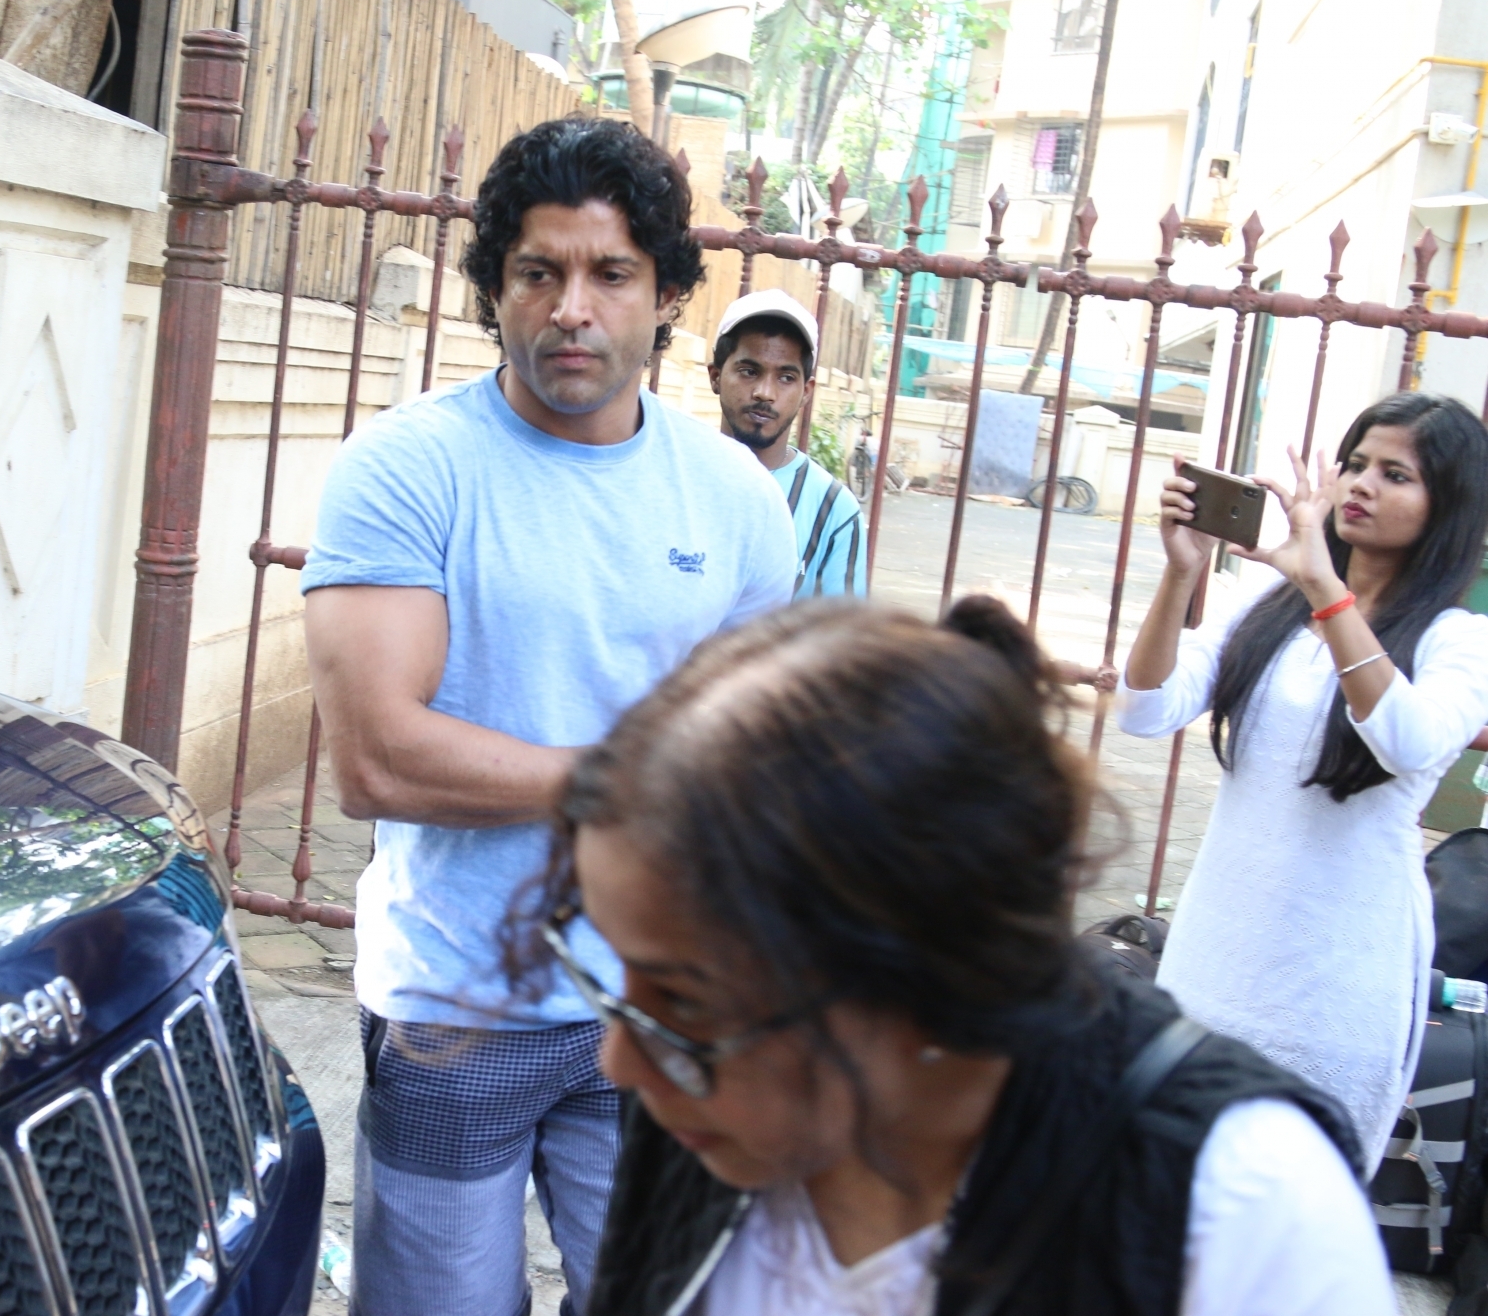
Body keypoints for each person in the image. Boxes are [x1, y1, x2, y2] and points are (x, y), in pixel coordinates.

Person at [510, 597, 1393, 1315]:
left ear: (916, 957)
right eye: (615, 977)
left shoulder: (1239, 1205)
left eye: (687, 998)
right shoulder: (708, 1113)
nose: (620, 1061)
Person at [300, 117, 796, 1315]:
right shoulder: (407, 468)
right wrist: (635, 780)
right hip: (456, 1003)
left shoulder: (733, 499)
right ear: (494, 287)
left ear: (665, 294)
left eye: (609, 273)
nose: (571, 309)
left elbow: (748, 760)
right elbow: (377, 757)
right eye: (538, 271)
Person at [1119, 392, 1488, 1168]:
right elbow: (1146, 709)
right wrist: (1181, 572)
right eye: (1355, 463)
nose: (1361, 485)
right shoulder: (1265, 602)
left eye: (1395, 474)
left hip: (1339, 976)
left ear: (1448, 504)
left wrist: (1326, 590)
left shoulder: (1459, 640)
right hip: (1217, 947)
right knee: (1167, 1184)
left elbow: (1405, 741)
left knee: (1295, 1196)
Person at [707, 289, 866, 598]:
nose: (765, 393)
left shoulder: (832, 509)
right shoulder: (672, 477)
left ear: (806, 392)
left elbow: (841, 626)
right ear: (715, 376)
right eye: (749, 371)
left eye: (786, 378)